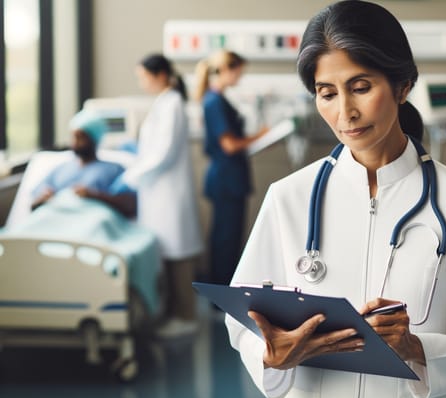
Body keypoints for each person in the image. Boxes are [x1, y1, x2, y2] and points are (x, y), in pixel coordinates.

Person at [225, 2, 446, 398]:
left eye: (361, 88)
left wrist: (416, 347)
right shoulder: (288, 198)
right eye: (327, 93)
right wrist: (271, 355)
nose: (345, 112)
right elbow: (244, 324)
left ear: (402, 86)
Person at [120, 53, 203, 338]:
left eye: (143, 76)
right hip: (159, 193)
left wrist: (132, 175)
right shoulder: (165, 102)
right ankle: (174, 313)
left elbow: (163, 154)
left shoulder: (173, 104)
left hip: (169, 194)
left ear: (159, 74)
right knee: (168, 256)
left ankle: (186, 316)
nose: (141, 83)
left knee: (178, 257)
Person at [192, 50, 269, 287]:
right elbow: (229, 145)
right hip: (227, 179)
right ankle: (222, 292)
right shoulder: (214, 101)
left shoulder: (218, 99)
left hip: (229, 177)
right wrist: (260, 136)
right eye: (238, 72)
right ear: (225, 70)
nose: (240, 77)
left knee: (228, 236)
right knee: (226, 239)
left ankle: (222, 287)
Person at [31, 109, 136, 217]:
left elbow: (130, 205)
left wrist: (94, 196)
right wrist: (43, 198)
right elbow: (33, 204)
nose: (75, 143)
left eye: (81, 138)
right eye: (73, 137)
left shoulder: (114, 169)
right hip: (56, 217)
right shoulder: (60, 169)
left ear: (94, 139)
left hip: (91, 220)